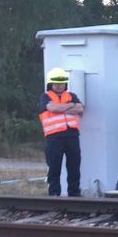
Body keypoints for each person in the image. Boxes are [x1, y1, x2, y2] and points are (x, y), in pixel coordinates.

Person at [39, 67, 84, 197]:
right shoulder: (45, 96)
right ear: (51, 84)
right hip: (54, 137)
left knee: (74, 167)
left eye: (62, 83)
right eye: (56, 83)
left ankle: (74, 194)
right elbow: (52, 108)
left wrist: (61, 108)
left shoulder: (72, 96)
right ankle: (54, 195)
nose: (59, 86)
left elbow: (80, 109)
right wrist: (70, 105)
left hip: (72, 136)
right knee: (54, 167)